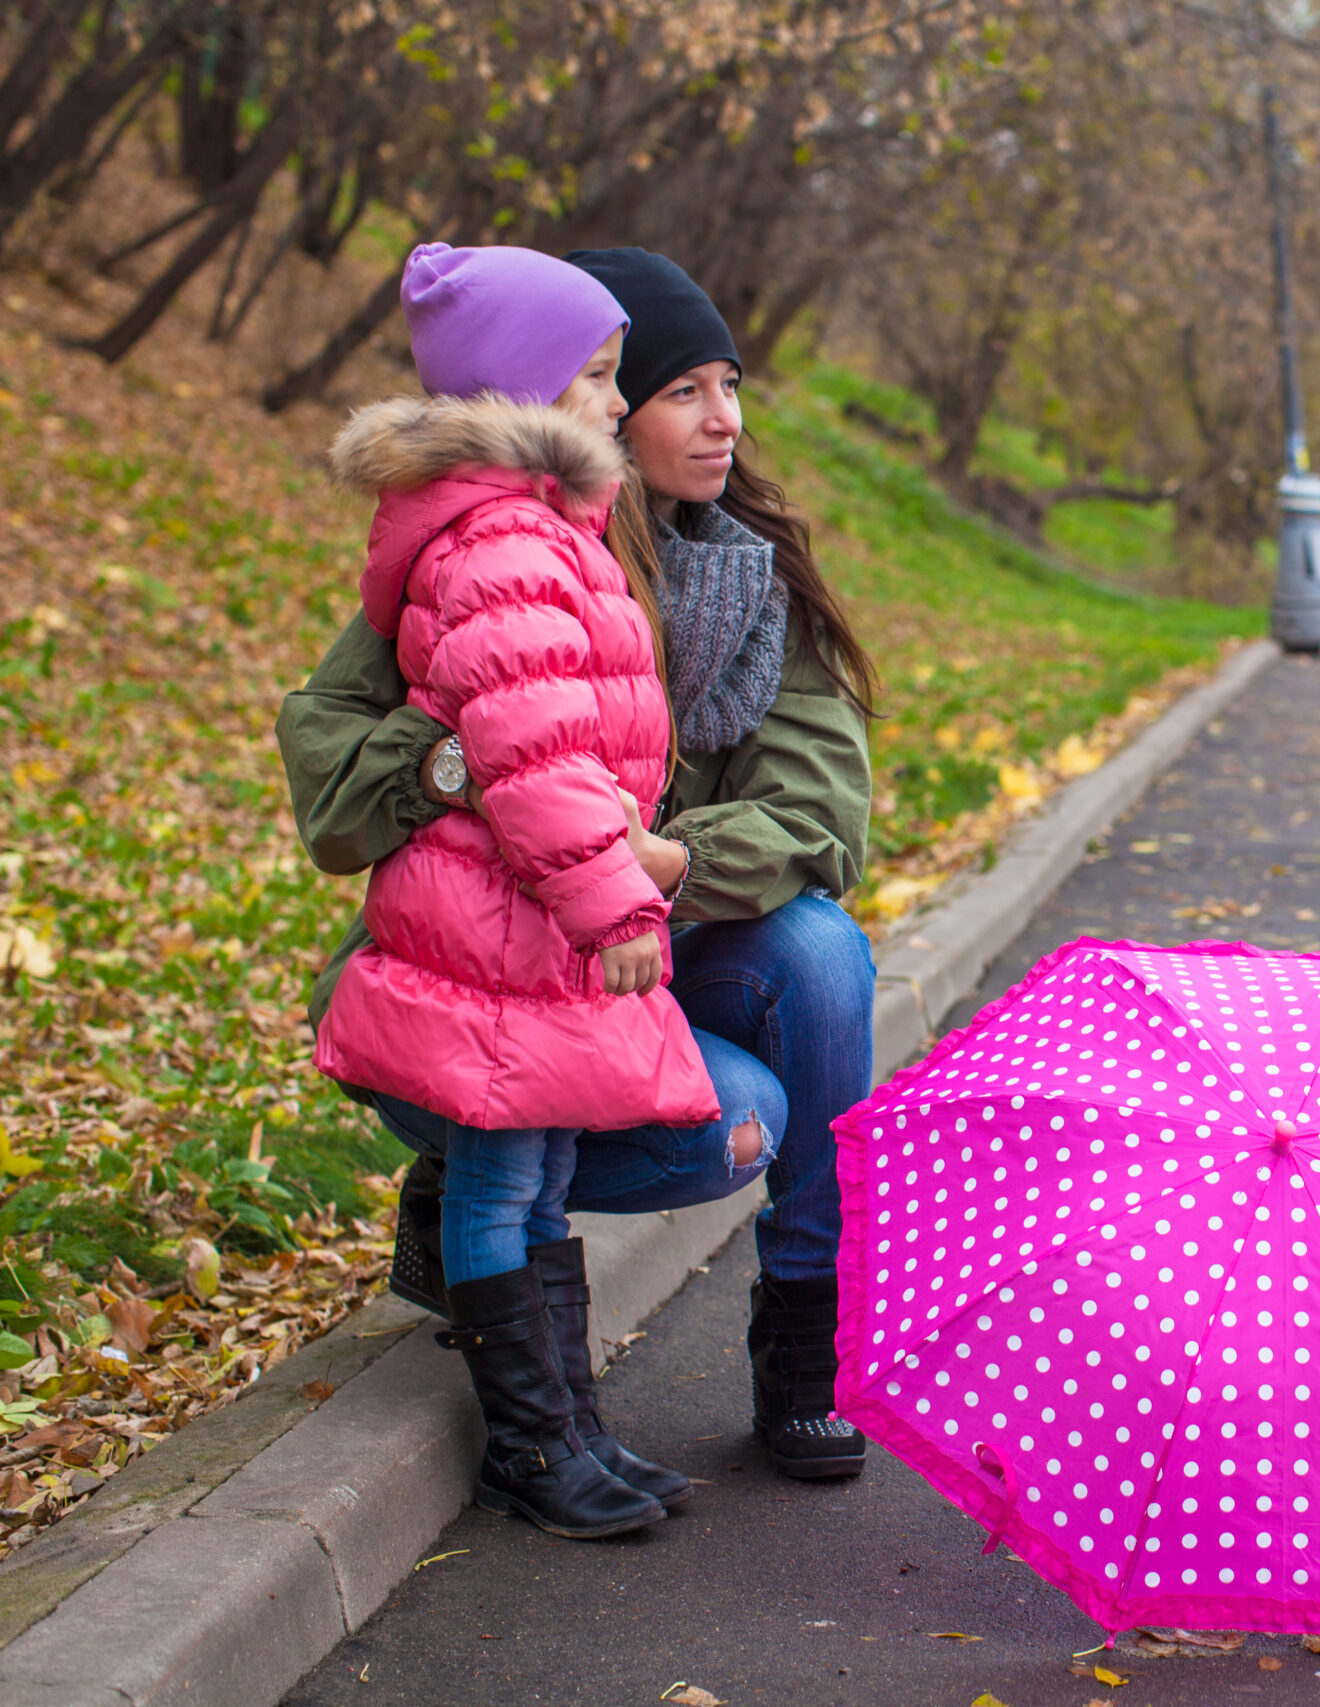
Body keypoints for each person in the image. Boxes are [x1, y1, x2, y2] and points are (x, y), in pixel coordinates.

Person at [277, 248, 878, 1490]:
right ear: (573, 402)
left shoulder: (749, 581)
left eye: (732, 386)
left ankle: (805, 1333)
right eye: (679, 391)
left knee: (820, 952)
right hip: (493, 969)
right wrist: (471, 766)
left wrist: (660, 857)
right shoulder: (504, 550)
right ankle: (478, 1230)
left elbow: (824, 819)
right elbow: (335, 791)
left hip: (634, 942)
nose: (727, 421)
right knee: (720, 1126)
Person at [316, 242, 749, 1538]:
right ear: (524, 387)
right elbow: (532, 750)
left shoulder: (541, 523)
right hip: (508, 924)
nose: (619, 401)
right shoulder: (505, 540)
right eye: (602, 374)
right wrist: (617, 902)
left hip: (531, 921)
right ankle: (531, 1440)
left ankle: (567, 1424)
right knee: (507, 1180)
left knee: (538, 1176)